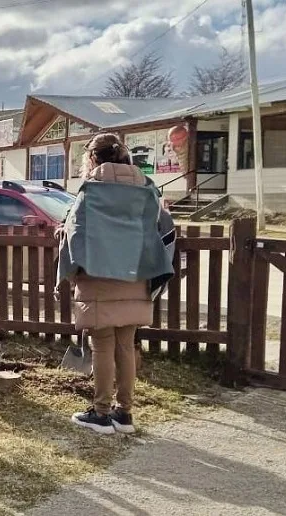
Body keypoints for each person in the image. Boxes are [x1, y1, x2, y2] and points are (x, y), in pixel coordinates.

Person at [57, 133, 174, 435]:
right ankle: (124, 415)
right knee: (126, 345)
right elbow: (162, 229)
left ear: (93, 158)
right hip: (136, 275)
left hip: (98, 278)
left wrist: (71, 274)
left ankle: (100, 413)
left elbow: (74, 233)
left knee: (102, 347)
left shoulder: (91, 191)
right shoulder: (148, 190)